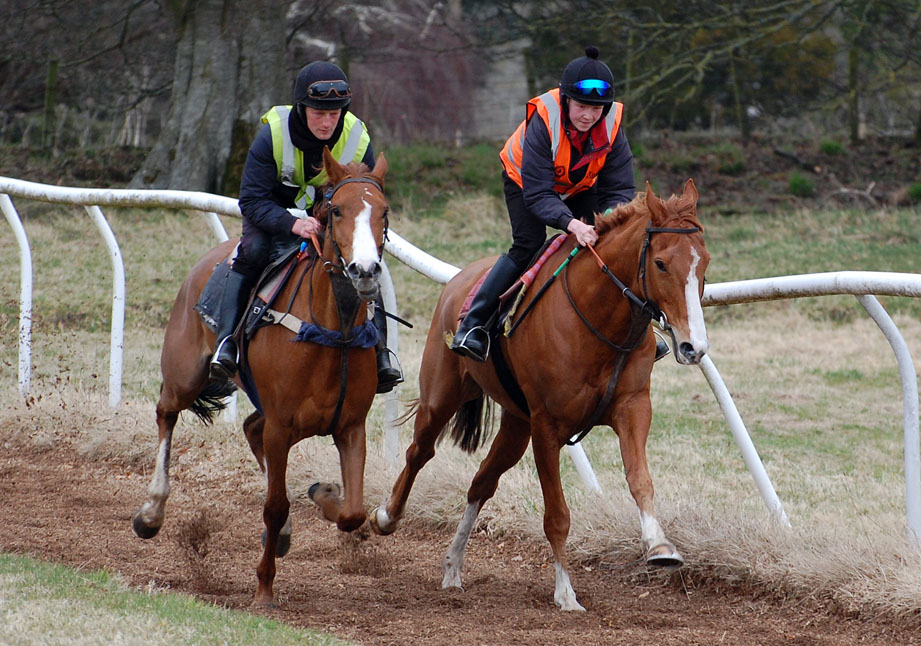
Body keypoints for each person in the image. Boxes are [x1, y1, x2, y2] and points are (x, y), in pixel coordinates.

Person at [450, 46, 669, 362]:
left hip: (579, 185)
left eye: (597, 109)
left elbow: (620, 189)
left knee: (615, 242)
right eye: (581, 106)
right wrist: (573, 225)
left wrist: (607, 222)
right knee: (529, 243)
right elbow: (540, 196)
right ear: (566, 100)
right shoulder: (543, 119)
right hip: (525, 182)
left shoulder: (612, 124)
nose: (588, 116)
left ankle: (643, 333)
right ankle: (474, 325)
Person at [209, 60, 403, 393]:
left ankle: (381, 353)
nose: (328, 122)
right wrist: (291, 225)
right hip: (271, 216)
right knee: (253, 251)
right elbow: (251, 201)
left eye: (335, 113)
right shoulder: (271, 134)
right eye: (319, 113)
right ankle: (227, 342)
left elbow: (365, 196)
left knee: (369, 265)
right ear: (302, 107)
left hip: (329, 219)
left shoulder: (357, 136)